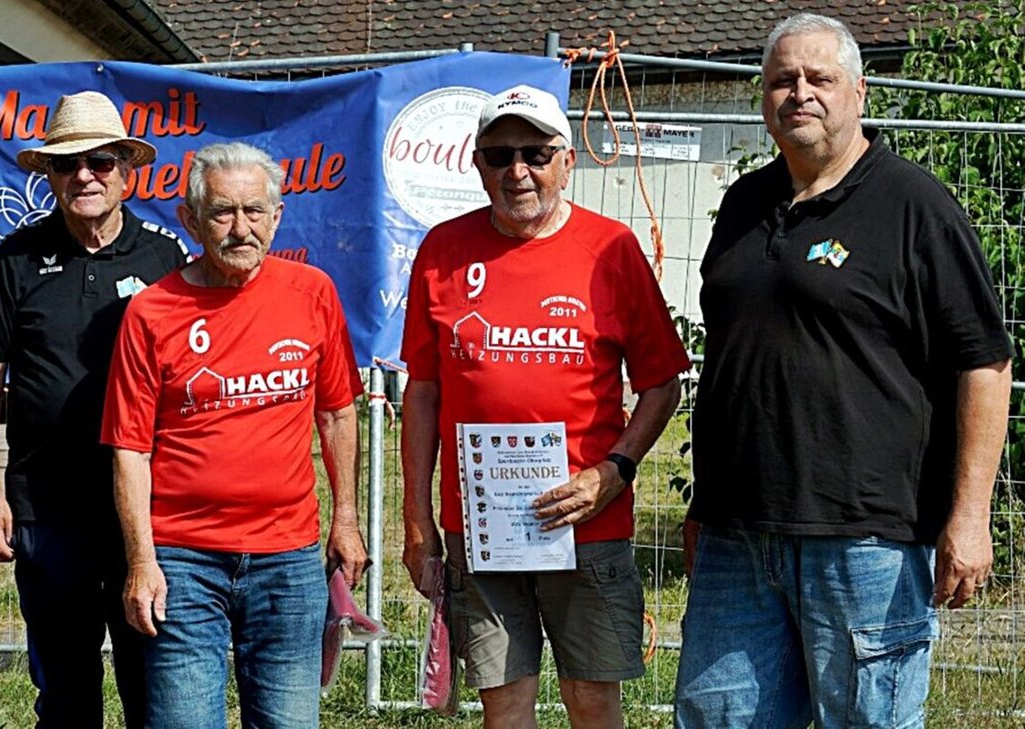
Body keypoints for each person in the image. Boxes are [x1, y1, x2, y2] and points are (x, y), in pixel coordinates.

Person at [675, 13, 1013, 729]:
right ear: (763, 97)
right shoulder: (743, 205)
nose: (800, 93)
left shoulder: (915, 207)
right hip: (738, 536)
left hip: (867, 538)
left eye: (819, 78)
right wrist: (705, 503)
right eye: (782, 80)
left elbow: (984, 363)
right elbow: (731, 363)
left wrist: (970, 516)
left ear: (858, 92)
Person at [401, 84, 690, 729]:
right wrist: (417, 520)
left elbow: (663, 382)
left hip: (587, 519)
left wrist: (613, 471)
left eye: (535, 153)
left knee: (592, 699)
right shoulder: (442, 251)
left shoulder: (611, 248)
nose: (518, 172)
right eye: (500, 155)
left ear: (567, 161)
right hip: (482, 525)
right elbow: (422, 391)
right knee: (503, 703)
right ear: (478, 165)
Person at [101, 141, 369, 728]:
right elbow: (130, 449)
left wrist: (346, 520)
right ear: (191, 220)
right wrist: (142, 562)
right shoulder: (150, 313)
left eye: (254, 211)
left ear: (277, 216)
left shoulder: (313, 293)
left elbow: (336, 413)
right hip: (183, 560)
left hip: (288, 558)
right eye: (222, 212)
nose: (240, 228)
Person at [0, 91, 188, 727]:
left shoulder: (164, 257)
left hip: (146, 509)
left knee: (152, 686)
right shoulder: (16, 258)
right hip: (48, 506)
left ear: (126, 171)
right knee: (64, 691)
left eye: (101, 162)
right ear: (50, 176)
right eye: (67, 164)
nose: (84, 175)